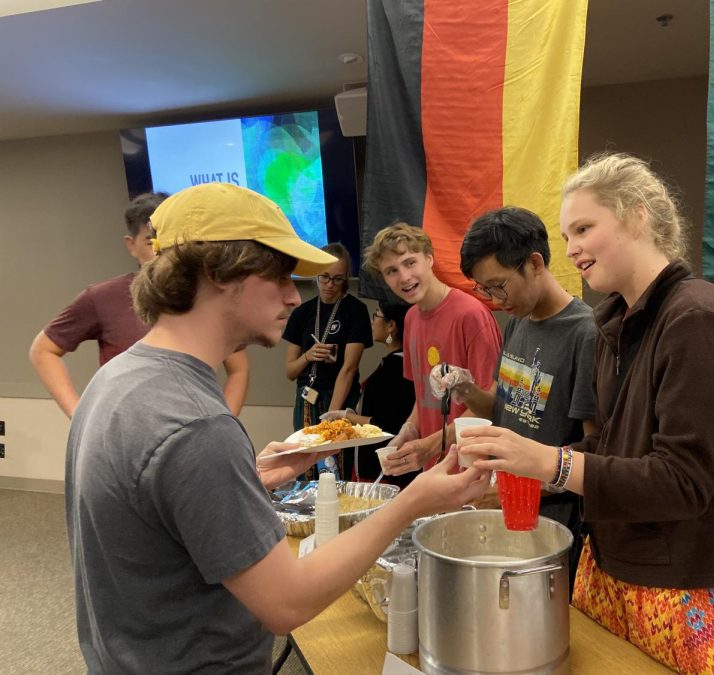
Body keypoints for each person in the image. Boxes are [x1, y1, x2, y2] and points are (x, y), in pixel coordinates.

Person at [65, 182, 489, 674]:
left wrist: (246, 474)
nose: (293, 295)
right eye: (280, 276)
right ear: (216, 274)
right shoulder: (197, 427)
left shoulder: (117, 378)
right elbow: (288, 603)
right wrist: (416, 500)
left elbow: (157, 514)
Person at [461, 154, 714, 674]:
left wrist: (552, 464)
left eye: (584, 228)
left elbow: (682, 482)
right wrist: (523, 461)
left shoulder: (698, 318)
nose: (571, 249)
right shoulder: (615, 324)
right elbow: (613, 451)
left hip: (686, 585)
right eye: (567, 234)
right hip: (614, 570)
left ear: (637, 216)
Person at [447, 205, 596, 581]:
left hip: (555, 523)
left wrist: (516, 490)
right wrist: (465, 390)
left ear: (533, 263)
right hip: (509, 509)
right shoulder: (518, 320)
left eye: (498, 285)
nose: (495, 300)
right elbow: (503, 406)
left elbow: (595, 452)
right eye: (484, 290)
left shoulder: (586, 334)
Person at [29, 192, 249, 417]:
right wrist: (80, 417)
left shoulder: (206, 296)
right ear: (131, 244)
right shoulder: (103, 297)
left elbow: (238, 368)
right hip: (126, 431)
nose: (164, 251)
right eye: (151, 242)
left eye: (173, 241)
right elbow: (43, 350)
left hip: (193, 429)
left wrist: (223, 419)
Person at [362, 223, 502, 474]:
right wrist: (410, 428)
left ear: (429, 259)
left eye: (410, 262)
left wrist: (431, 445)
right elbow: (423, 391)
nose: (404, 277)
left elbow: (489, 406)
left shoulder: (471, 315)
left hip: (473, 469)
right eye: (391, 271)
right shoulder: (412, 318)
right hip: (434, 469)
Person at [322, 300, 416, 487]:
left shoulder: (396, 368)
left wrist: (346, 416)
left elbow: (386, 424)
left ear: (391, 326)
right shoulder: (394, 363)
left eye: (376, 315)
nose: (372, 321)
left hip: (384, 473)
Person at [283, 242, 373, 433]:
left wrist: (332, 416)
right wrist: (308, 355)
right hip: (307, 398)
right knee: (307, 459)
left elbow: (349, 368)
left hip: (339, 398)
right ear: (316, 273)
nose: (330, 285)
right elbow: (290, 372)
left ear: (346, 278)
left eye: (337, 279)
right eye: (324, 277)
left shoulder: (355, 310)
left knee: (335, 460)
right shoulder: (302, 312)